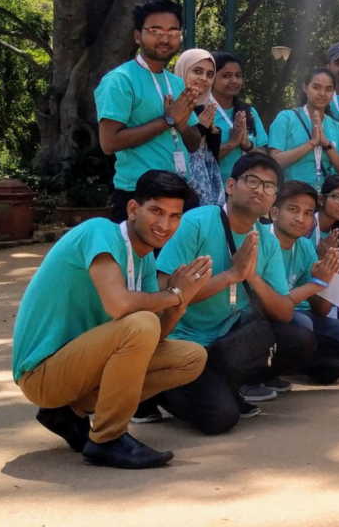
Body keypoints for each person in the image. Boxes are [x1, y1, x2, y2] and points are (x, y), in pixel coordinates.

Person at [11, 170, 208, 468]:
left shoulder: (145, 258)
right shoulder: (100, 232)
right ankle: (108, 439)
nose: (165, 225)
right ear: (133, 209)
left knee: (191, 357)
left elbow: (151, 340)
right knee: (141, 323)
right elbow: (119, 305)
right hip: (41, 374)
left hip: (80, 367)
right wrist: (174, 295)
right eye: (156, 211)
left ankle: (68, 413)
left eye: (174, 216)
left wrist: (180, 304)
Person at [149, 152, 317, 434]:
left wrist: (252, 277)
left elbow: (284, 312)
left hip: (229, 336)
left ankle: (225, 384)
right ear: (230, 185)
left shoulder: (266, 241)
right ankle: (159, 389)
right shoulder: (197, 223)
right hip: (184, 338)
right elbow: (164, 292)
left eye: (269, 186)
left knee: (300, 339)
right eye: (252, 181)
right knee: (220, 419)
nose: (260, 190)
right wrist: (231, 275)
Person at [96, 0, 196, 222]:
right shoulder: (120, 80)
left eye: (173, 32)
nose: (165, 38)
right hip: (139, 195)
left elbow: (194, 144)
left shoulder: (177, 82)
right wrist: (168, 120)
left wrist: (181, 124)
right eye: (155, 31)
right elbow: (109, 143)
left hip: (180, 192)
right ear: (137, 36)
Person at [265, 178, 339, 389]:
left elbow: (322, 310)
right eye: (293, 210)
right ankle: (277, 364)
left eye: (308, 213)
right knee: (304, 325)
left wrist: (327, 276)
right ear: (274, 213)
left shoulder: (304, 246)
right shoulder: (263, 240)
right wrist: (317, 283)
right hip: (265, 317)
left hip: (299, 316)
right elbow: (279, 306)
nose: (300, 219)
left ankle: (300, 356)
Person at [268, 67, 339, 184]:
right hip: (291, 191)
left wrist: (326, 144)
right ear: (305, 87)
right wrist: (312, 143)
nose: (322, 93)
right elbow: (274, 161)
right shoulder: (286, 118)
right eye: (316, 87)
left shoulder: (337, 128)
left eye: (329, 89)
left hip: (325, 193)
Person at [171, 47, 227, 210]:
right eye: (197, 71)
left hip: (205, 183)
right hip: (175, 181)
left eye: (210, 74)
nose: (204, 78)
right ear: (183, 70)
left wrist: (212, 132)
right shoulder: (170, 104)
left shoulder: (207, 106)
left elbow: (211, 155)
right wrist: (200, 127)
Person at [208, 51, 268, 181]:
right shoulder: (204, 112)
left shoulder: (249, 112)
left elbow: (265, 158)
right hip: (214, 188)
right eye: (226, 76)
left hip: (248, 187)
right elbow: (199, 159)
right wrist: (231, 143)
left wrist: (247, 145)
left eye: (238, 75)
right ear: (212, 78)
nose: (234, 81)